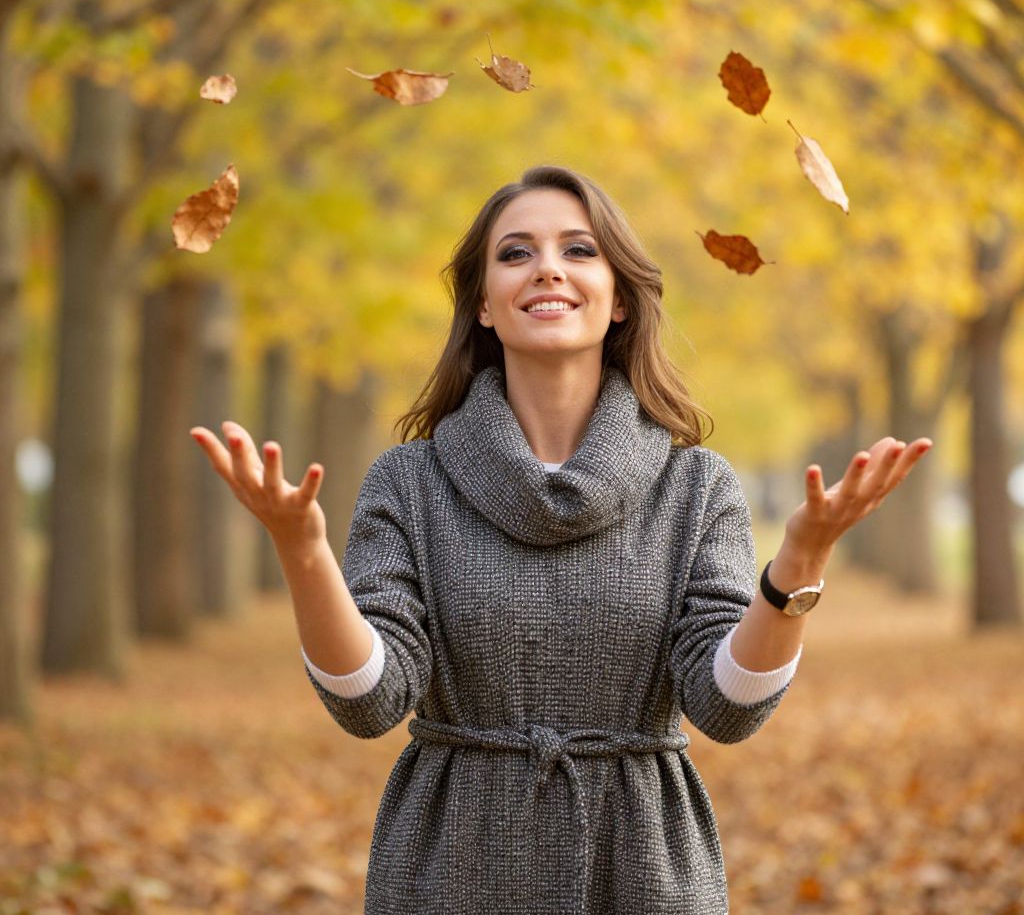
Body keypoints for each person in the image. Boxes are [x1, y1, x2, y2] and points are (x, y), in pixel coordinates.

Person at [190, 164, 932, 914]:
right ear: (484, 304)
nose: (547, 268)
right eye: (516, 253)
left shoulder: (695, 487)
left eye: (579, 250)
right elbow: (370, 703)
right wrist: (302, 550)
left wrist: (801, 559)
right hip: (450, 872)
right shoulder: (409, 482)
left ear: (619, 298)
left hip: (641, 870)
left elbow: (728, 709)